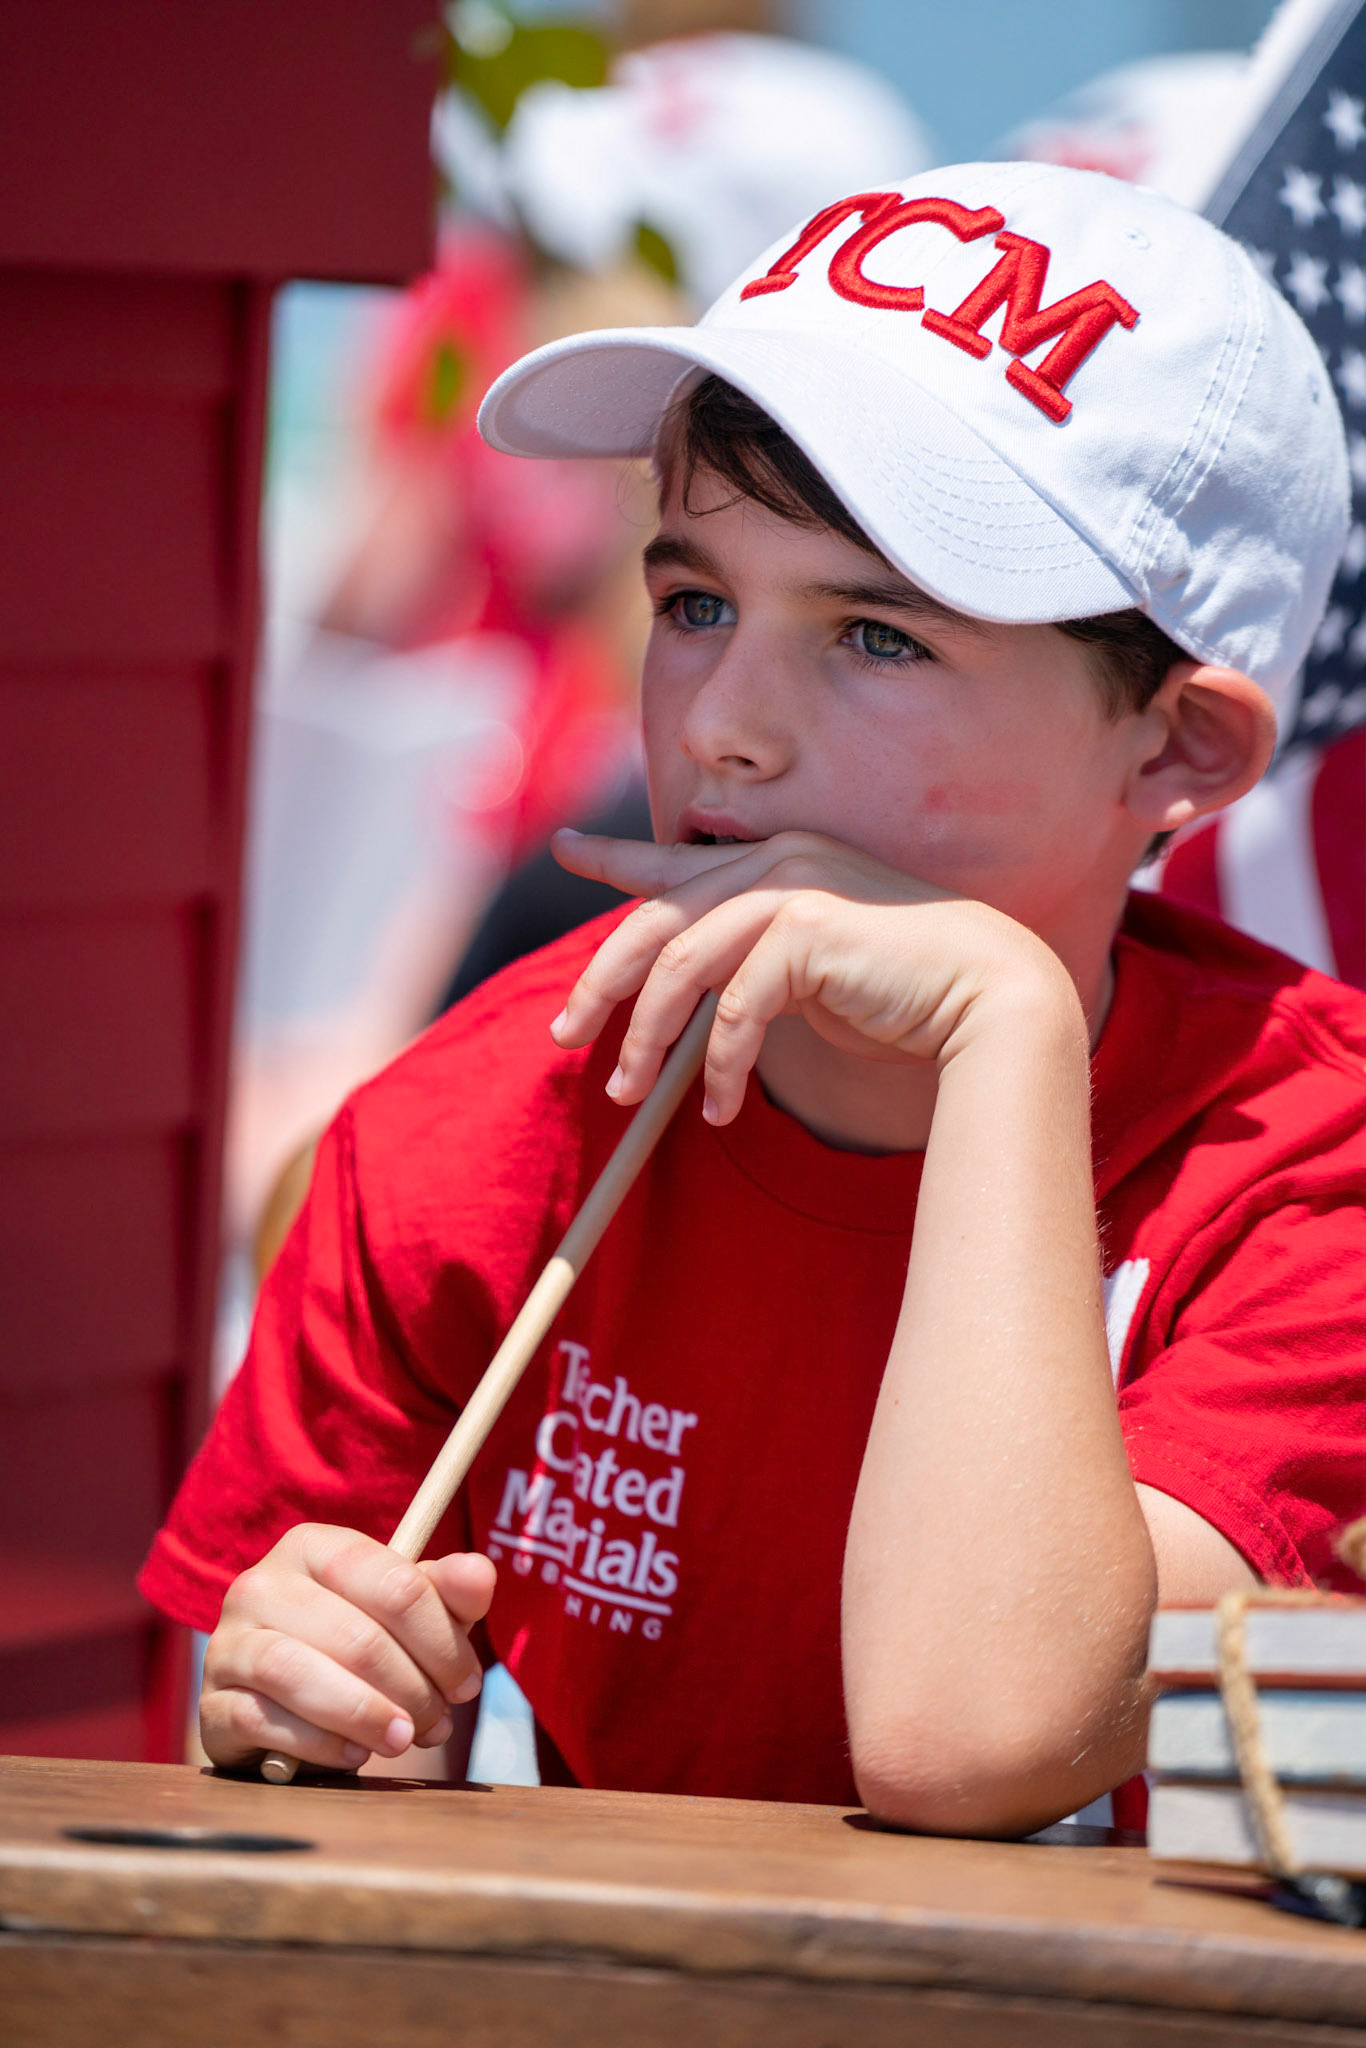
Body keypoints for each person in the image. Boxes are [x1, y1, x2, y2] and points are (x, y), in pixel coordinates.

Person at [140, 164, 1361, 1837]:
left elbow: (977, 1737)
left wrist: (1003, 1028)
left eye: (876, 636)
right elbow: (256, 1807)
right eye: (693, 601)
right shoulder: (470, 1127)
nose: (722, 724)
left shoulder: (1313, 1170)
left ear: (1173, 746)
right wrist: (311, 1704)